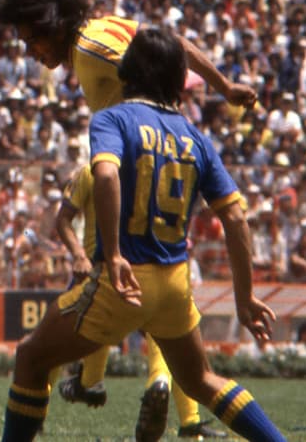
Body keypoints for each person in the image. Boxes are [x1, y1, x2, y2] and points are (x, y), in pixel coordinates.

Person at [0, 0, 256, 436]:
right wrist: (224, 86)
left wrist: (176, 105)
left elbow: (162, 58)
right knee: (195, 367)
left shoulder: (92, 49)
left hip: (130, 174)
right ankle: (148, 393)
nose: (30, 51)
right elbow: (170, 44)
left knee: (41, 347)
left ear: (53, 27)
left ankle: (90, 381)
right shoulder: (105, 29)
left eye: (30, 39)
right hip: (162, 172)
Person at [54, 162, 224, 437]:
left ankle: (80, 387)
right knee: (175, 342)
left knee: (58, 335)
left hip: (104, 269)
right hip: (157, 268)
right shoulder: (155, 168)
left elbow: (62, 219)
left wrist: (79, 255)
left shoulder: (92, 171)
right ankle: (166, 391)